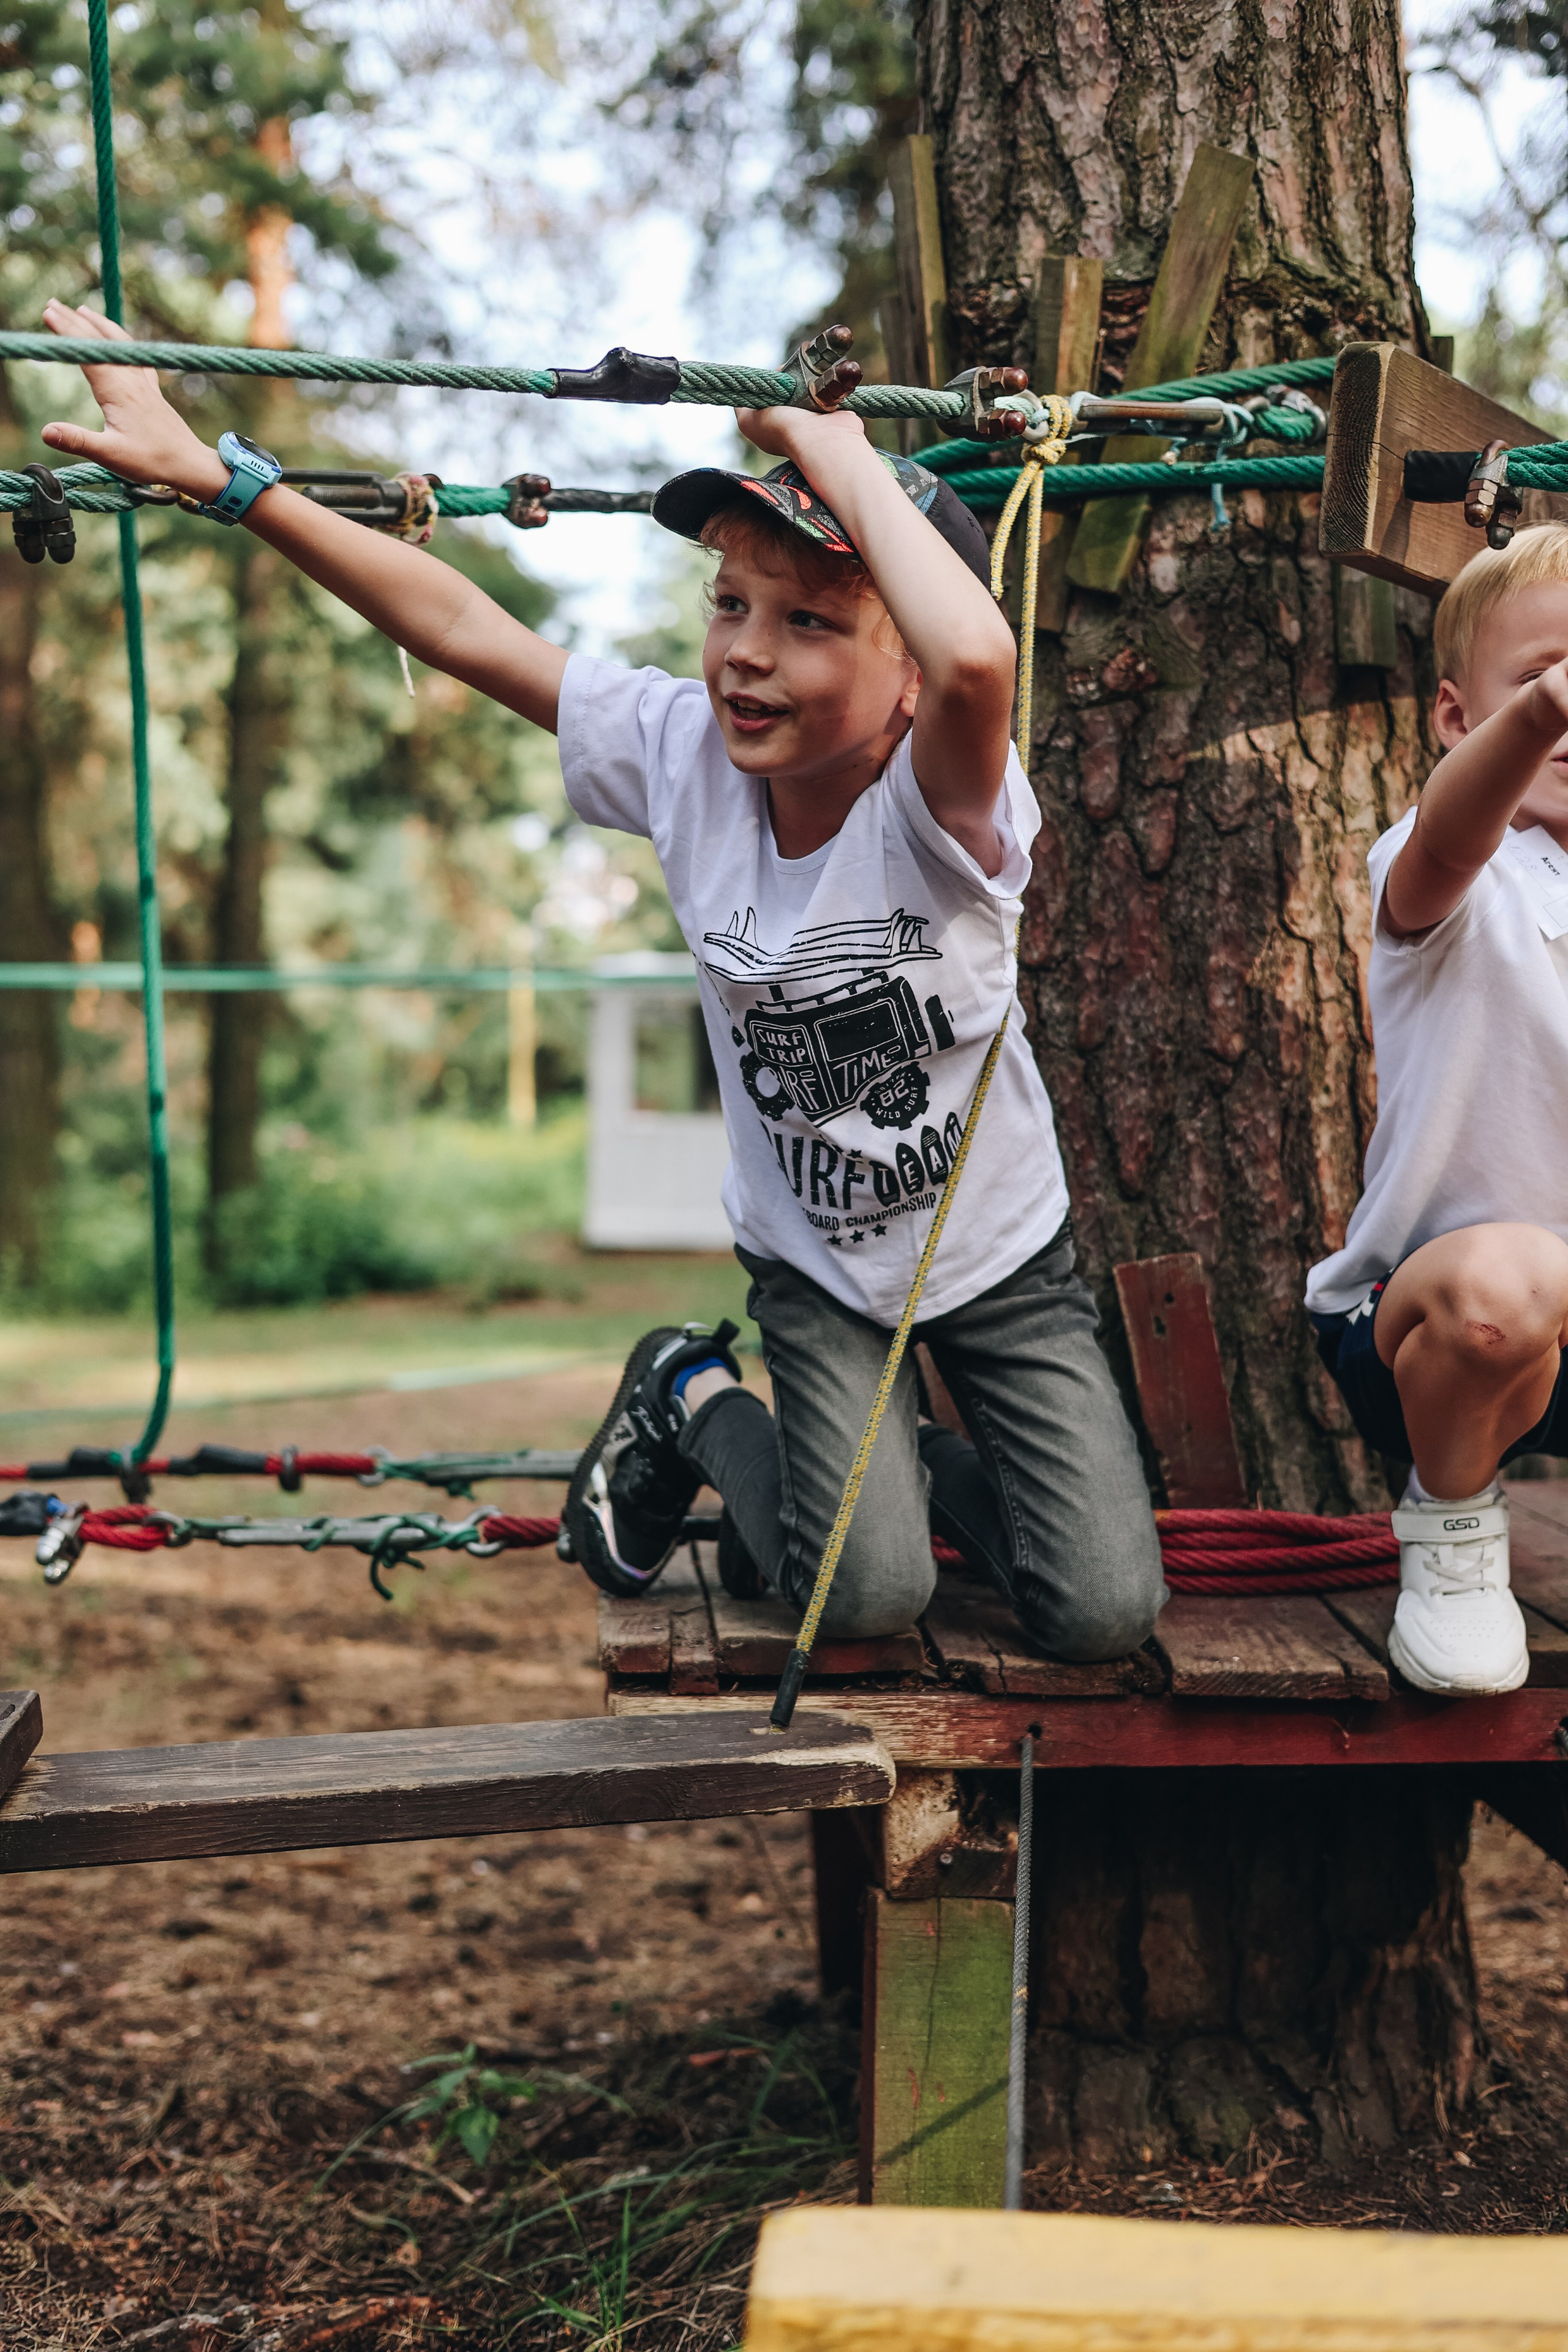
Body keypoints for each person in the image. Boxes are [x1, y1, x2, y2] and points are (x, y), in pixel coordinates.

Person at [40, 298, 1166, 1656]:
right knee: (860, 1600)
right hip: (813, 1267)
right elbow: (462, 624)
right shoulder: (681, 754)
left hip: (992, 1255)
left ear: (907, 680)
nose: (746, 650)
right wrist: (233, 482)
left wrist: (837, 450)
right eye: (730, 604)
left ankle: (886, 1480)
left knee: (1101, 1611)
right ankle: (688, 1394)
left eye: (809, 622)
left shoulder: (944, 811)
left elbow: (978, 652)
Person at [1306, 524, 1568, 1696]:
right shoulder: (1453, 871)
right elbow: (1451, 839)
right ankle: (1451, 1534)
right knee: (1502, 1289)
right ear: (1461, 719)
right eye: (1542, 675)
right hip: (1422, 1329)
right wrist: (1544, 716)